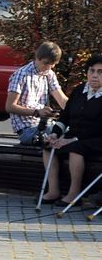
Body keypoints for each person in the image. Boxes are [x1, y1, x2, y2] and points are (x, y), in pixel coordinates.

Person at [40, 55, 102, 206]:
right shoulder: (79, 90)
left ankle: (74, 194)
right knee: (48, 147)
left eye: (100, 72)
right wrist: (54, 134)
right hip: (74, 136)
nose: (94, 75)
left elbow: (97, 128)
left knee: (75, 149)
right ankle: (53, 190)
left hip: (96, 139)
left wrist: (71, 140)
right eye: (91, 70)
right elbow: (64, 118)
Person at [6, 41, 68, 146]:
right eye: (46, 63)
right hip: (27, 130)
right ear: (37, 57)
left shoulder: (49, 74)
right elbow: (9, 107)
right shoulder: (21, 75)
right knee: (64, 136)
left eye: (53, 64)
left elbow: (61, 99)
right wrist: (36, 112)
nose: (49, 67)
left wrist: (76, 110)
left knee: (73, 132)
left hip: (44, 125)